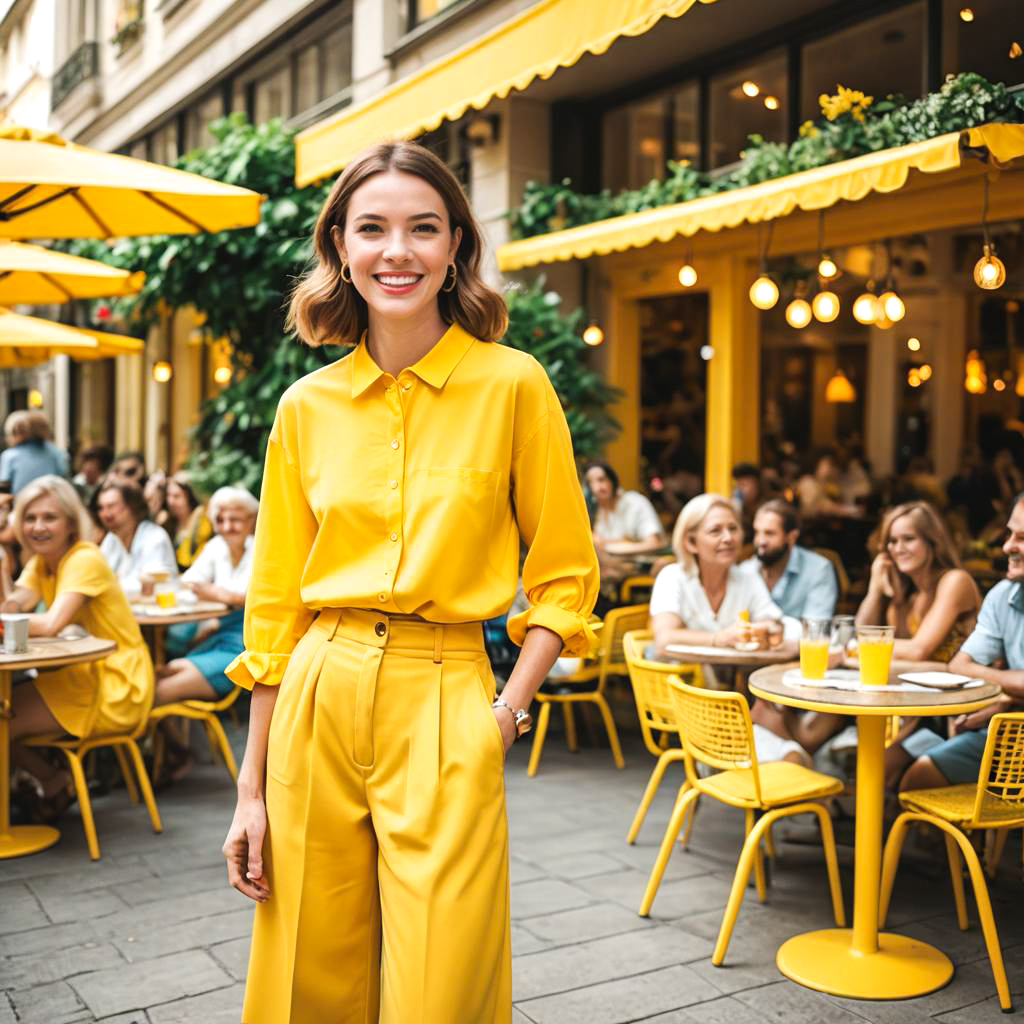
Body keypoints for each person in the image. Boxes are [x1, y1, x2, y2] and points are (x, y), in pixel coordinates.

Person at [220, 141, 598, 1023]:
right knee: (304, 972)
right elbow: (274, 605)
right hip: (317, 688)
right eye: (374, 229)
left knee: (444, 984)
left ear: (457, 247)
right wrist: (249, 789)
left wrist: (505, 711)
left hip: (448, 696)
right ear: (341, 249)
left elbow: (565, 576)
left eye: (423, 229)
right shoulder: (304, 408)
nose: (399, 251)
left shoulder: (515, 387)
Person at [2, 476, 153, 818]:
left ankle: (49, 783)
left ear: (71, 522)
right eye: (29, 518)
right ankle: (54, 781)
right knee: (2, 716)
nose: (37, 526)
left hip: (113, 681)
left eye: (49, 517)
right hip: (80, 674)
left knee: (2, 722)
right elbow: (11, 608)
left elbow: (52, 623)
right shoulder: (43, 563)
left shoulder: (84, 558)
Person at [808, 501, 981, 782]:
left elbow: (917, 650)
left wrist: (850, 654)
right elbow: (863, 633)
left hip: (960, 715)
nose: (898, 548)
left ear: (932, 542)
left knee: (882, 766)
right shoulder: (906, 597)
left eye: (908, 539)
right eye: (892, 541)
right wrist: (876, 588)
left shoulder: (955, 581)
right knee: (867, 764)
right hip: (919, 711)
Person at [649, 493, 804, 765]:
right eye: (715, 531)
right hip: (686, 696)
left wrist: (766, 628)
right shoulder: (673, 577)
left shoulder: (746, 577)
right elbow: (664, 639)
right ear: (690, 541)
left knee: (775, 716)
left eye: (733, 528)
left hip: (734, 694)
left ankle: (768, 769)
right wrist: (721, 638)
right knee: (781, 733)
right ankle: (775, 769)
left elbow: (775, 622)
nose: (729, 538)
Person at [900, 494, 1024, 794]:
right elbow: (960, 665)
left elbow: (921, 651)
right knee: (916, 782)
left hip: (1006, 722)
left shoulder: (954, 581)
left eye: (1022, 538)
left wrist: (1005, 701)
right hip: (1007, 733)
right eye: (1009, 534)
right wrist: (1008, 699)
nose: (1007, 546)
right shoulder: (1003, 596)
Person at [154, 486, 257, 780]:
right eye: (220, 520)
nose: (227, 527)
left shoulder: (264, 547)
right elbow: (189, 583)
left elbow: (257, 598)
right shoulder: (216, 548)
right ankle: (176, 751)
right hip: (217, 639)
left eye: (235, 520)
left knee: (154, 691)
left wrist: (218, 593)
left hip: (244, 649)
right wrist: (229, 596)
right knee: (156, 676)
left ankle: (177, 753)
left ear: (251, 520)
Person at [741, 499, 838, 621]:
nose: (760, 541)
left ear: (792, 537)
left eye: (769, 533)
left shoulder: (818, 570)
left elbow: (815, 631)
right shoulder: (745, 571)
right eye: (757, 532)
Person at [95, 480, 177, 595]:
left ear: (132, 506)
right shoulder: (111, 540)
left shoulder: (154, 537)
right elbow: (96, 576)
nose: (105, 513)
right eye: (101, 508)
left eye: (111, 506)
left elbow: (150, 586)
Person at [0, 410, 69, 495]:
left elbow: (4, 487)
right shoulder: (57, 453)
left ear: (26, 430)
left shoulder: (10, 456)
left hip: (21, 504)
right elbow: (64, 480)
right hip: (51, 503)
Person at [164, 471, 212, 570]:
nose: (170, 501)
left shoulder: (202, 520)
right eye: (168, 495)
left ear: (190, 498)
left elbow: (194, 563)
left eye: (177, 496)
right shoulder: (167, 521)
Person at [730, 461, 761, 538]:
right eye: (737, 485)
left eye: (744, 485)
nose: (739, 490)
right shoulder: (739, 507)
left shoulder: (766, 508)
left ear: (757, 485)